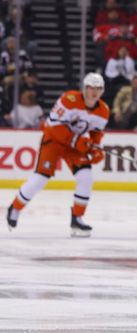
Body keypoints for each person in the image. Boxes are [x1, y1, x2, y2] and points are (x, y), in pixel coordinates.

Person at [6, 73, 109, 237]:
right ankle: (15, 207)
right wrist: (78, 142)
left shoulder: (103, 110)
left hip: (73, 145)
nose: (94, 92)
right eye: (91, 87)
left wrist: (95, 148)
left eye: (98, 88)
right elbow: (53, 126)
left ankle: (77, 217)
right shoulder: (69, 99)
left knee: (86, 176)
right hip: (54, 139)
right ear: (84, 88)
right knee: (41, 178)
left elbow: (96, 133)